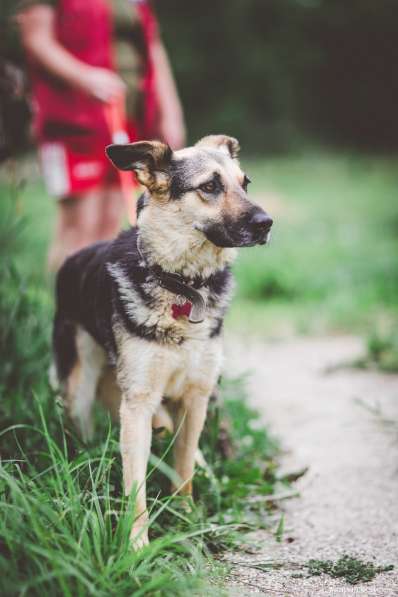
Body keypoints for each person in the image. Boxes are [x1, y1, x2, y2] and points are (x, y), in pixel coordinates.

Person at [17, 0, 186, 271]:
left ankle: (97, 309)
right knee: (80, 230)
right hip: (72, 122)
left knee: (110, 226)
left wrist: (170, 111)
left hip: (129, 120)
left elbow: (152, 45)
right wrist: (85, 77)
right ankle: (68, 310)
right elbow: (36, 39)